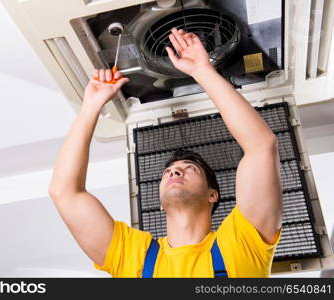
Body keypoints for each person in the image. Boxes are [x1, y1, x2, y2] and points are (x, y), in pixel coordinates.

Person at [48, 28, 283, 277]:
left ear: (212, 195)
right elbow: (63, 192)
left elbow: (261, 147)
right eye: (169, 172)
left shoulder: (241, 245)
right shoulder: (133, 255)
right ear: (160, 204)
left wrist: (203, 71)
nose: (175, 171)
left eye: (189, 169)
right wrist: (90, 107)